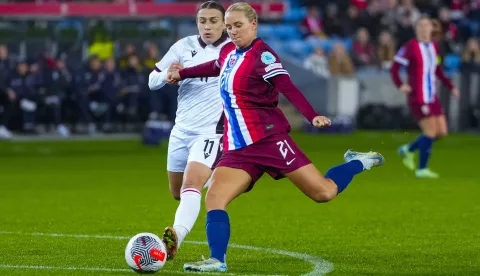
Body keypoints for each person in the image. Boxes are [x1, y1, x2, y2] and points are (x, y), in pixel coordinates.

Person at [166, 2, 385, 272]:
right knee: (214, 197)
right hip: (237, 148)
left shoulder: (263, 55)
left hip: (269, 141)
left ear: (253, 24)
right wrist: (182, 73)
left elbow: (287, 86)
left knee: (324, 193)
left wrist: (311, 115)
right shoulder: (229, 55)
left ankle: (358, 162)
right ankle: (217, 259)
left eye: (238, 26)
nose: (232, 31)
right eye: (230, 26)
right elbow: (213, 66)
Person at [147, 1, 230, 261]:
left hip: (210, 132)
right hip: (181, 131)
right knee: (178, 192)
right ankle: (215, 176)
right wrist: (167, 75)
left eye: (213, 21)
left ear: (224, 24)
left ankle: (175, 238)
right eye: (202, 21)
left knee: (191, 183)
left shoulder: (232, 50)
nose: (207, 26)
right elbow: (152, 81)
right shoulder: (183, 46)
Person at [390, 16, 459, 179]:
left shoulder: (433, 46)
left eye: (426, 25)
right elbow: (394, 68)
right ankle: (422, 169)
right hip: (418, 97)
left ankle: (408, 149)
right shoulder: (410, 47)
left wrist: (451, 87)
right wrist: (400, 84)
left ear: (431, 29)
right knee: (430, 132)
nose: (423, 28)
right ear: (416, 29)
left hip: (431, 96)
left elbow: (437, 70)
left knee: (441, 132)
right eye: (420, 25)